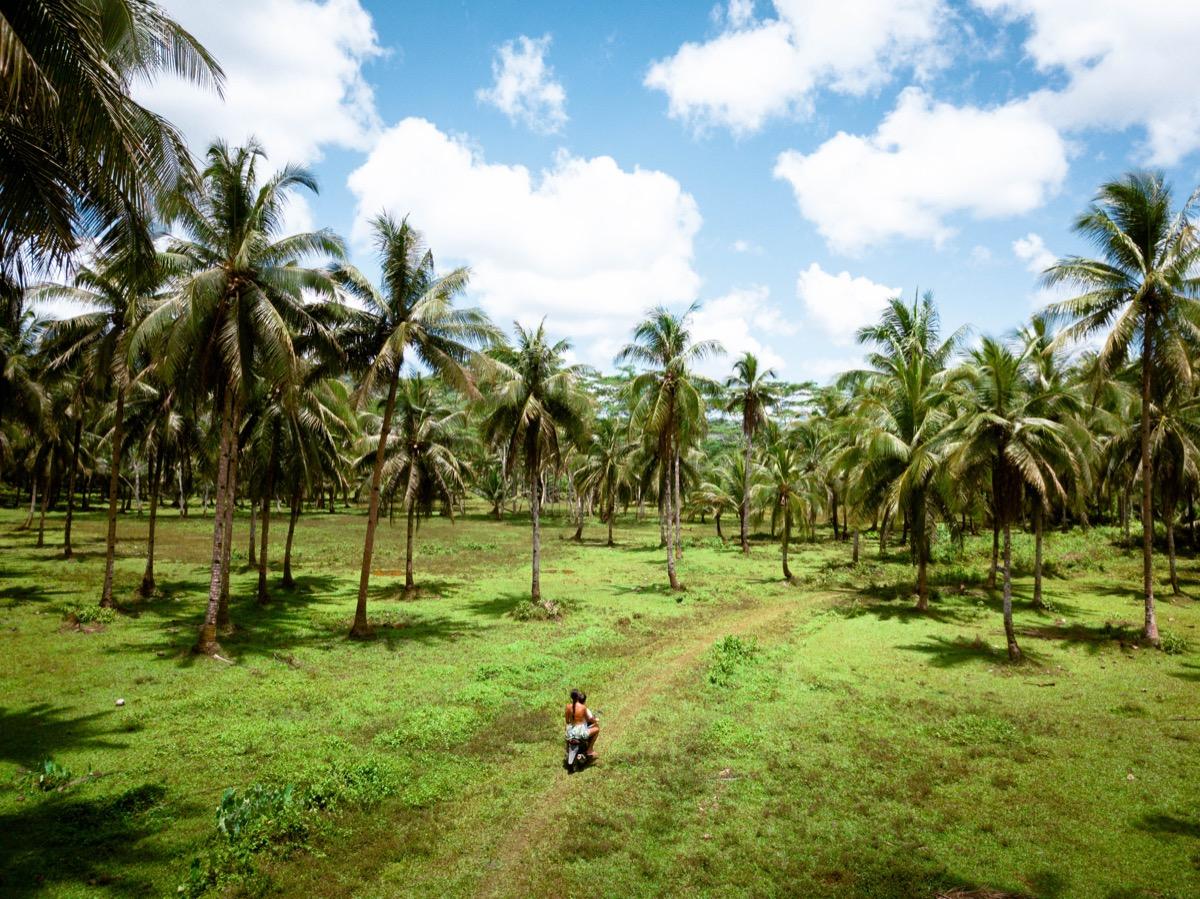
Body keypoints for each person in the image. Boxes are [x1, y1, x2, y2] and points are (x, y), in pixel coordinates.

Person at [564, 688, 599, 759]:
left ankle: (568, 749)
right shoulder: (583, 707)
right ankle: (589, 750)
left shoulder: (568, 707)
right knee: (597, 729)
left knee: (567, 728)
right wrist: (595, 720)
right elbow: (589, 719)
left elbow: (567, 721)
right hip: (580, 732)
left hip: (570, 732)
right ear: (578, 697)